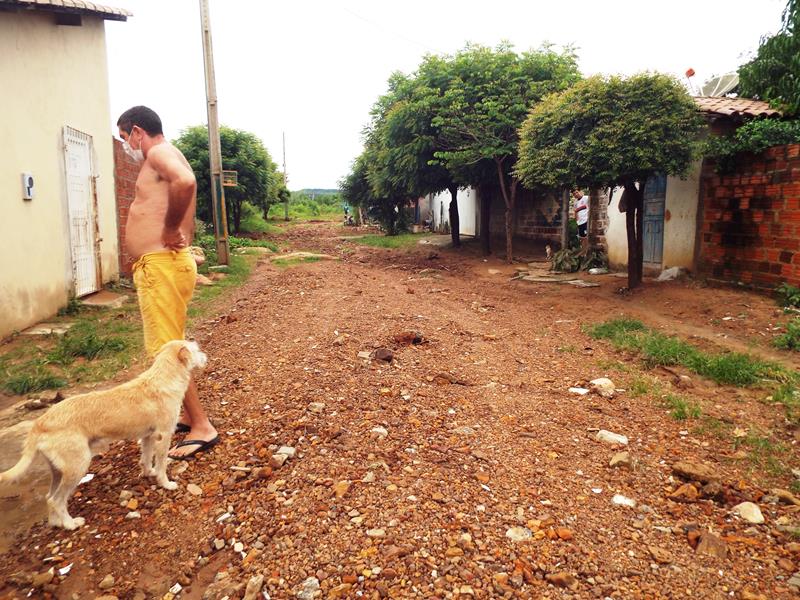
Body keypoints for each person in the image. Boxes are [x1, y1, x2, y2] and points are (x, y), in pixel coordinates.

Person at [117, 106, 218, 460]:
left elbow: (185, 184)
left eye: (123, 137)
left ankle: (202, 427)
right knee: (170, 344)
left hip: (161, 264)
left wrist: (171, 229)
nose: (125, 145)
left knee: (168, 352)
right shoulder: (167, 154)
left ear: (137, 132)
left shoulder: (158, 152)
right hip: (165, 263)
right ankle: (189, 417)